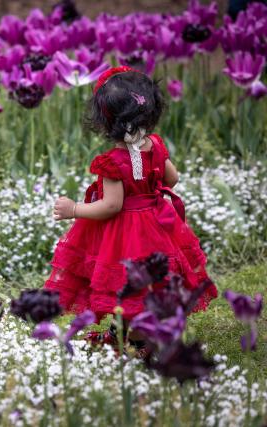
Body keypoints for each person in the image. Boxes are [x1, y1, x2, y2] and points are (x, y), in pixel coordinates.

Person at [44, 66, 217, 349]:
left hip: (126, 234)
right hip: (158, 224)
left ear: (106, 121)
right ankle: (134, 333)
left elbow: (111, 206)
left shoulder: (113, 162)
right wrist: (151, 187)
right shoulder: (155, 146)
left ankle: (138, 343)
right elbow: (172, 178)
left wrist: (74, 209)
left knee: (126, 284)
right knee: (153, 281)